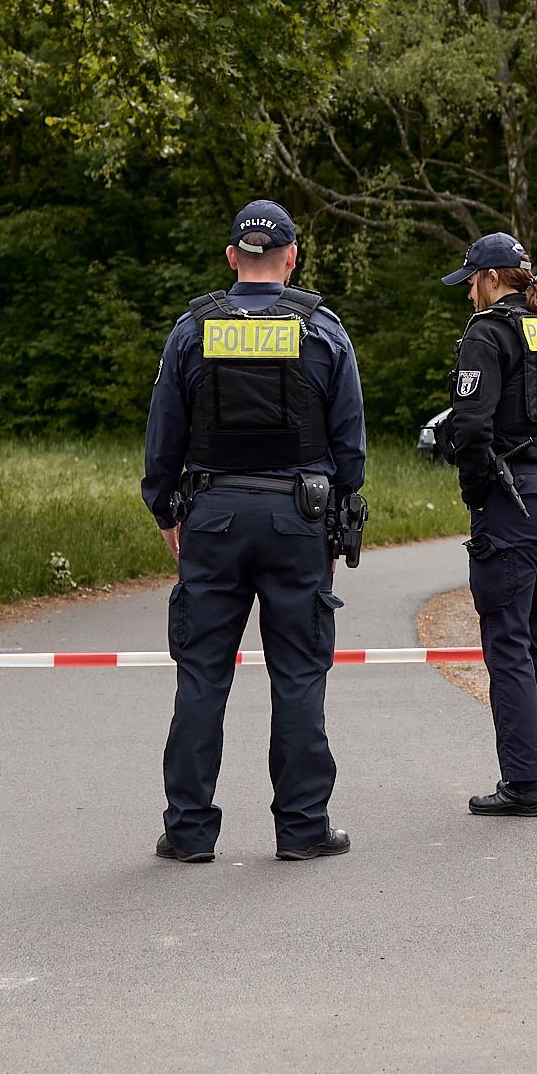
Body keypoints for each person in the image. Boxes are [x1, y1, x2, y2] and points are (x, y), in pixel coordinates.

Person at [140, 199, 364, 865]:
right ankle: (301, 830)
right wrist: (341, 509)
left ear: (233, 256)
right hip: (299, 519)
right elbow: (350, 445)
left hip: (212, 518)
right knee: (298, 675)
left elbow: (164, 438)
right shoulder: (322, 330)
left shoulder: (191, 331)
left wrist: (164, 510)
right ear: (291, 257)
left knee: (201, 677)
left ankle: (188, 833)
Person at [439, 231, 537, 817]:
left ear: (491, 278)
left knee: (506, 640)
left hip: (516, 497)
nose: (468, 293)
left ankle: (523, 783)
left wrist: (479, 496)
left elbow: (472, 430)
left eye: (471, 281)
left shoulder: (488, 334)